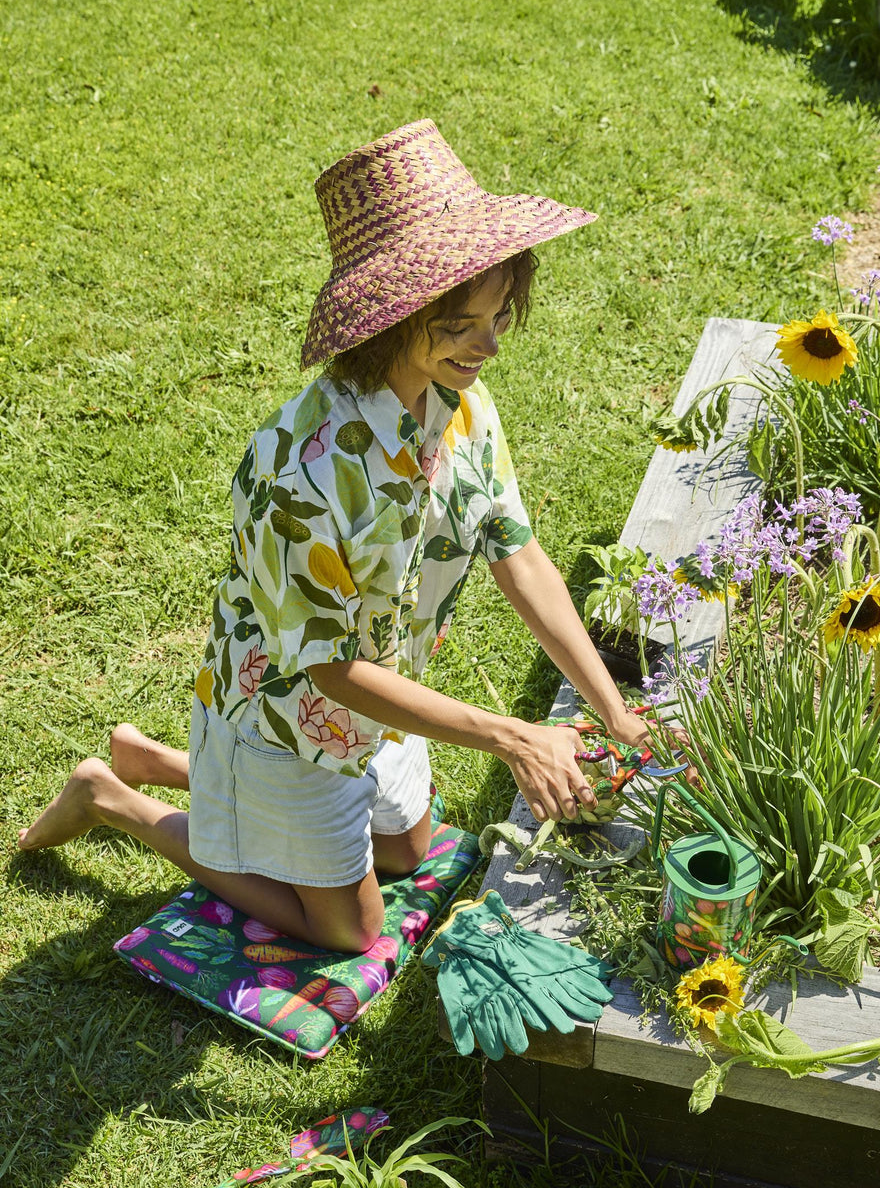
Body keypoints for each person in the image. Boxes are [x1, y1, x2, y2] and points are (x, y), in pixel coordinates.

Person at [18, 120, 697, 954]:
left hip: (377, 707)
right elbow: (330, 670)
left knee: (410, 850)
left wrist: (617, 714)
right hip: (287, 720)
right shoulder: (297, 473)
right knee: (352, 933)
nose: (485, 347)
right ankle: (114, 796)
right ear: (393, 316)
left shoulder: (461, 410)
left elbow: (517, 552)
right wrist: (512, 734)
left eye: (496, 318)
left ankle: (157, 760)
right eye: (459, 325)